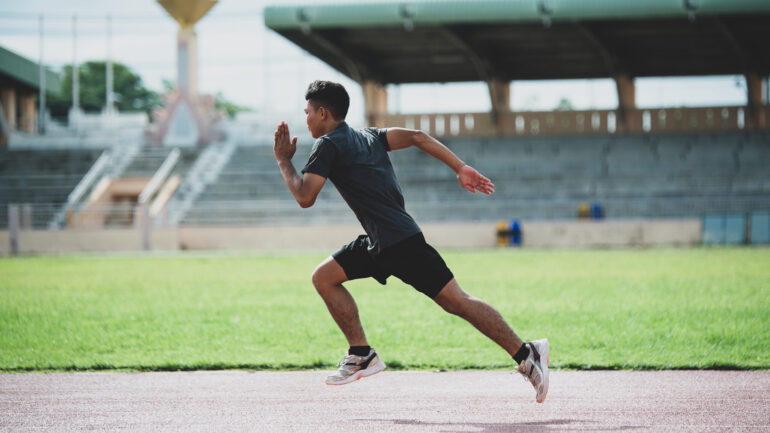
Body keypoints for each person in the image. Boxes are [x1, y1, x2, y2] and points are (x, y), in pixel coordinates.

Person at [273, 80, 549, 403]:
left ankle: (526, 353)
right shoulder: (370, 136)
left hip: (399, 243)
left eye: (307, 112)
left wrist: (283, 160)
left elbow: (306, 196)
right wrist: (459, 167)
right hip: (382, 242)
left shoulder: (328, 145)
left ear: (323, 112)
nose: (305, 119)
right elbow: (418, 137)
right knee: (324, 277)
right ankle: (361, 353)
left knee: (456, 302)